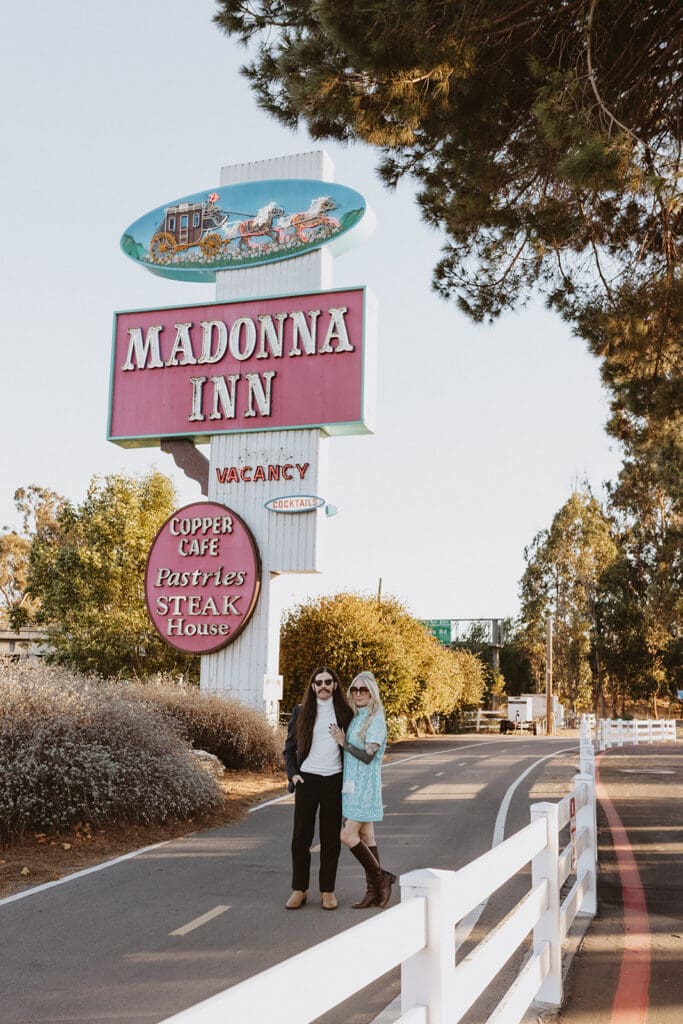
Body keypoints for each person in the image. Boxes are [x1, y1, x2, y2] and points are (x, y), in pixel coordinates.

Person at [283, 666, 353, 911]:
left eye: (328, 682)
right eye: (318, 682)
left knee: (330, 839)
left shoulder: (345, 713)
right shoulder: (301, 712)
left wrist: (344, 744)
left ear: (335, 685)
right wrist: (293, 775)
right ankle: (299, 890)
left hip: (334, 781)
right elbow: (289, 748)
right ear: (313, 687)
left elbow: (354, 749)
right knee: (300, 838)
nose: (323, 686)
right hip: (307, 780)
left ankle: (327, 891)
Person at [329, 671, 396, 909]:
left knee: (347, 836)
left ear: (372, 692)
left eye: (363, 690)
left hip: (364, 787)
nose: (357, 694)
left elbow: (368, 756)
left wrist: (343, 742)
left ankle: (382, 879)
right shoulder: (359, 717)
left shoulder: (375, 718)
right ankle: (374, 892)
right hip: (352, 784)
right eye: (354, 690)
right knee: (367, 836)